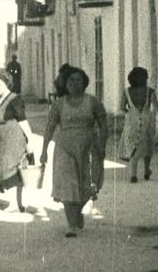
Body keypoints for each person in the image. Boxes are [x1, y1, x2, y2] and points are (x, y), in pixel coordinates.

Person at [39, 67, 107, 237]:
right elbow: (50, 127)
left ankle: (77, 212)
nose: (75, 84)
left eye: (78, 80)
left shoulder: (92, 102)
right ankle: (71, 225)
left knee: (88, 184)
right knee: (69, 183)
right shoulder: (59, 104)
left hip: (88, 146)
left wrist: (101, 145)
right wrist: (44, 150)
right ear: (65, 84)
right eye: (71, 80)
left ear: (84, 82)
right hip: (65, 147)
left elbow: (104, 124)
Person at [0, 69, 34, 213]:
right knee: (2, 170)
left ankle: (16, 203)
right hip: (0, 143)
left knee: (13, 170)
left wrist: (30, 140)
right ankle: (16, 203)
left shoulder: (15, 99)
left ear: (6, 84)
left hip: (14, 141)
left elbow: (22, 120)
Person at [118, 66, 158, 183]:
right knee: (147, 146)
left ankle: (133, 174)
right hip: (147, 121)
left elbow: (121, 108)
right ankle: (147, 170)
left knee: (133, 145)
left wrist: (131, 112)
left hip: (132, 121)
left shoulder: (126, 92)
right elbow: (156, 106)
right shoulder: (149, 91)